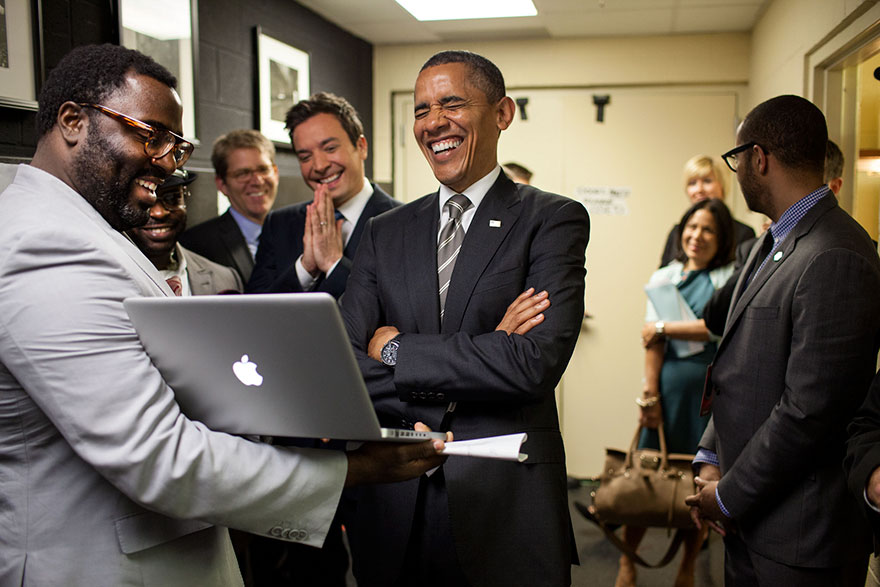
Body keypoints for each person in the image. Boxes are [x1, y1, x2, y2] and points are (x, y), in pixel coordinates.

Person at [0, 43, 450, 586]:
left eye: (175, 146)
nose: (167, 163)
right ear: (72, 121)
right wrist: (357, 469)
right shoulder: (44, 244)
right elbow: (159, 454)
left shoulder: (82, 234)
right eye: (151, 135)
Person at [340, 49, 589, 587]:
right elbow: (341, 362)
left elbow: (529, 363)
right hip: (393, 503)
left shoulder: (552, 219)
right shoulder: (386, 232)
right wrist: (486, 348)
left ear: (502, 113)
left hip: (505, 507)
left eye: (451, 104)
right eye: (421, 110)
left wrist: (398, 350)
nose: (433, 123)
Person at [685, 95, 880, 586]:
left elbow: (809, 412)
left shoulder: (836, 253)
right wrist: (711, 461)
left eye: (737, 160)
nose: (738, 173)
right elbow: (735, 369)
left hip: (801, 541)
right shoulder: (767, 245)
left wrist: (728, 495)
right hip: (751, 524)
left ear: (760, 158)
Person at [616, 198, 735, 587]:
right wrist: (649, 396)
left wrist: (665, 327)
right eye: (692, 227)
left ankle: (686, 568)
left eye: (708, 230)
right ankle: (627, 563)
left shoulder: (728, 277)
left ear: (722, 239)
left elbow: (718, 329)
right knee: (647, 473)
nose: (697, 236)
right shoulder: (665, 276)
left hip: (709, 396)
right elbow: (652, 343)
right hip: (668, 391)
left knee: (696, 481)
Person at [247, 92, 399, 295]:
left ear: (361, 147)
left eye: (330, 148)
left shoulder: (403, 224)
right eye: (305, 156)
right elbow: (254, 312)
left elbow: (400, 313)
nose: (319, 166)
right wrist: (305, 268)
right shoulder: (279, 225)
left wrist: (333, 264)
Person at [702, 138, 849, 338]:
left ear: (835, 186)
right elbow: (715, 318)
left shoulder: (844, 253)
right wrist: (764, 249)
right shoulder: (753, 248)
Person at [180, 130, 279, 283]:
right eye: (243, 173)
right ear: (222, 184)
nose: (257, 181)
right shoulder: (194, 245)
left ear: (275, 173)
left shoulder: (298, 232)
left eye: (263, 169)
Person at [127, 168, 243, 295]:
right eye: (144, 202)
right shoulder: (107, 275)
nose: (159, 213)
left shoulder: (224, 280)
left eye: (171, 198)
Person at [659, 155, 755, 268]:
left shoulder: (743, 233)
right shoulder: (677, 232)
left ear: (722, 186)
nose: (699, 189)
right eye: (692, 183)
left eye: (707, 181)